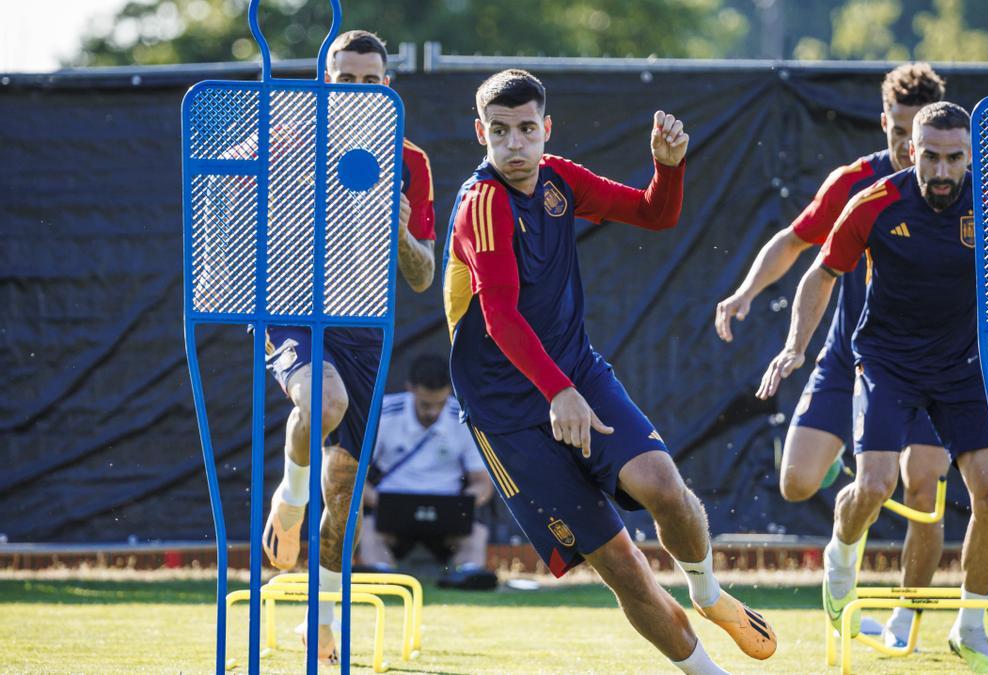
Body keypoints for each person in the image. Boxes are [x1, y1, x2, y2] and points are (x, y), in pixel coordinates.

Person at [441, 69, 775, 674]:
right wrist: (557, 392)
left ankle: (706, 592)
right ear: (480, 134)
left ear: (546, 129)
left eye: (524, 130)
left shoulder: (559, 179)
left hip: (575, 376)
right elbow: (501, 317)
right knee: (624, 567)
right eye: (499, 132)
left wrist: (668, 168)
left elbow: (654, 215)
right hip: (508, 414)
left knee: (665, 488)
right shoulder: (482, 204)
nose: (514, 145)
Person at [755, 102, 988, 674]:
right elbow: (821, 273)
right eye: (931, 157)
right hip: (887, 363)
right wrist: (796, 345)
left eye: (954, 158)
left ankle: (969, 627)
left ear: (970, 155)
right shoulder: (874, 202)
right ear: (912, 151)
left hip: (961, 367)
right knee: (875, 484)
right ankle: (840, 561)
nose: (942, 171)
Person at [715, 62, 949, 648]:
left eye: (913, 132)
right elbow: (795, 241)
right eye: (895, 129)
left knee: (922, 485)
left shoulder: (958, 192)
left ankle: (907, 621)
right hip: (849, 358)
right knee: (796, 483)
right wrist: (746, 293)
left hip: (926, 365)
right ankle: (855, 477)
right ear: (884, 123)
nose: (903, 143)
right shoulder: (857, 184)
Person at [257, 30, 437, 663]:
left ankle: (322, 618)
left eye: (369, 81)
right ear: (324, 82)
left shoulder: (408, 159)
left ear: (386, 85)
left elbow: (423, 276)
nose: (357, 91)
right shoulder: (288, 135)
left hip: (365, 325)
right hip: (291, 312)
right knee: (323, 403)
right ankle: (289, 496)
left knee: (347, 491)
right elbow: (221, 180)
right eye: (344, 81)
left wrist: (398, 229)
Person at [357, 354, 497, 590]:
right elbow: (353, 478)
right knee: (368, 529)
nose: (432, 412)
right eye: (425, 404)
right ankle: (382, 577)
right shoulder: (384, 413)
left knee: (476, 533)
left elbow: (483, 483)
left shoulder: (464, 419)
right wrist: (378, 501)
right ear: (410, 389)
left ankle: (467, 576)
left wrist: (464, 503)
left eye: (440, 404)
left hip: (447, 510)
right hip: (388, 508)